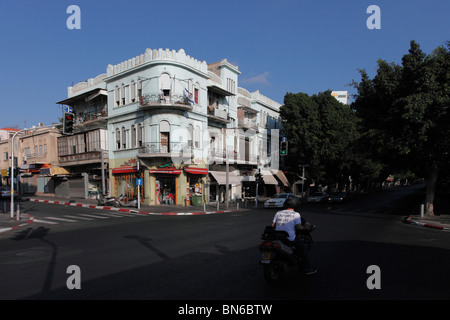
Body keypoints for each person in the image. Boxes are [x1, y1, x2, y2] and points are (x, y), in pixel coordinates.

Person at [272, 197, 317, 275]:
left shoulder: (278, 213)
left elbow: (273, 225)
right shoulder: (296, 214)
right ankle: (307, 269)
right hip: (290, 238)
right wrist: (305, 227)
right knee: (303, 249)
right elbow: (298, 227)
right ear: (296, 205)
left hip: (278, 236)